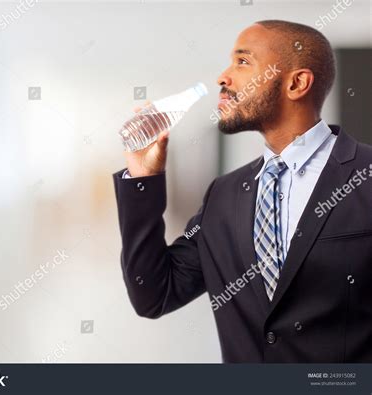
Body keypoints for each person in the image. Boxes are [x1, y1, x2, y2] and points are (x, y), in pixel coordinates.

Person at [112, 20, 372, 362]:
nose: (223, 77)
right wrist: (143, 176)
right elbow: (153, 294)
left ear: (296, 83)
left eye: (243, 61)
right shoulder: (224, 194)